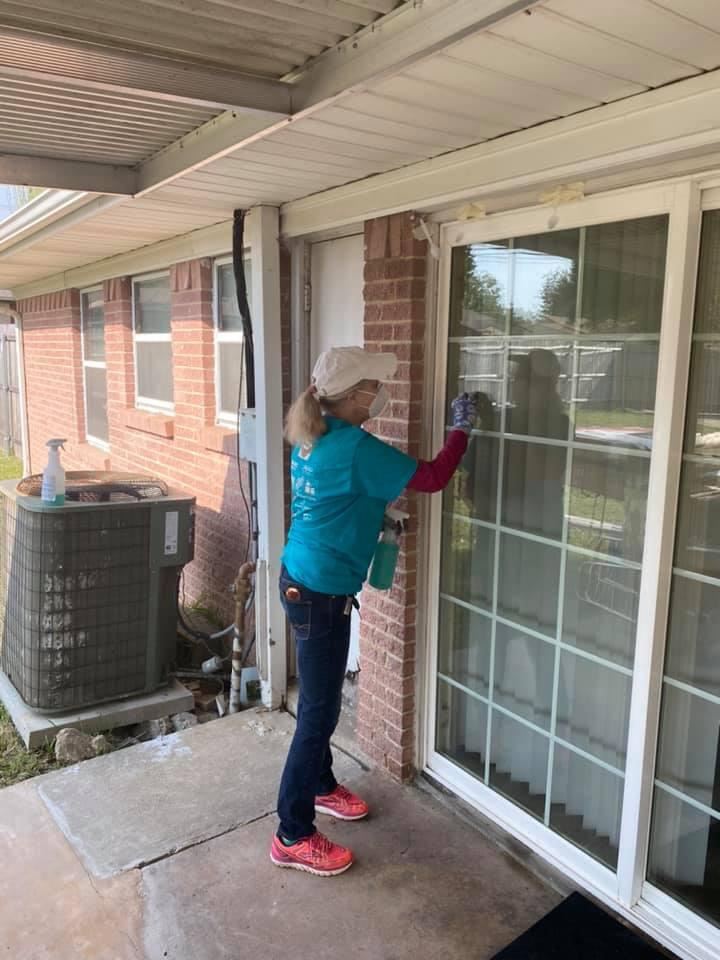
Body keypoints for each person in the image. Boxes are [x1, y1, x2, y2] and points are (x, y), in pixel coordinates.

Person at [271, 346, 476, 877]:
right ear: (356, 395)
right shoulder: (357, 448)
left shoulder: (315, 435)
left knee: (321, 704)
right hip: (319, 592)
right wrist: (462, 431)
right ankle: (291, 834)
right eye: (374, 387)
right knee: (318, 714)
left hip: (303, 579)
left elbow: (337, 497)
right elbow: (431, 478)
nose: (381, 394)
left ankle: (319, 786)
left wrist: (375, 511)